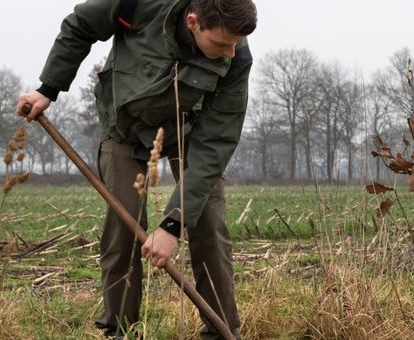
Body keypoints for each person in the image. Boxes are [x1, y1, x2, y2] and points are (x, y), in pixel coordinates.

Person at [16, 0, 257, 338]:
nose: (230, 53)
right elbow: (80, 24)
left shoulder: (237, 55)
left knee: (209, 225)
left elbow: (216, 141)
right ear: (192, 21)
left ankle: (221, 332)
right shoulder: (139, 4)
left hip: (191, 131)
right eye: (220, 44)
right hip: (124, 130)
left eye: (235, 44)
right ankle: (121, 331)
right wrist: (48, 89)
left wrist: (173, 224)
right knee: (124, 225)